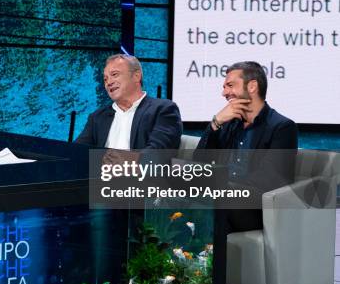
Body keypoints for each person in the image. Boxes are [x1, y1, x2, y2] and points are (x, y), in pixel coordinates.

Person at [196, 61, 298, 231]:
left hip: (255, 208)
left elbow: (271, 179)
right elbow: (199, 161)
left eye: (230, 85)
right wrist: (215, 123)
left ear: (252, 86)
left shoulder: (282, 127)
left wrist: (224, 187)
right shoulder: (228, 124)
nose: (224, 92)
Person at [75, 54, 182, 150]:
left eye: (115, 74)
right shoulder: (97, 117)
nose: (109, 82)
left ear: (136, 76)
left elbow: (156, 154)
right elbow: (76, 152)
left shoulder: (162, 110)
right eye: (105, 79)